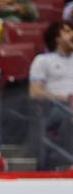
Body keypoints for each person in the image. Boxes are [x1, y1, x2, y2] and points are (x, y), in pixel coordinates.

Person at [29, 20, 73, 168]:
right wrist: (62, 98)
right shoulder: (43, 60)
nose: (72, 34)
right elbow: (35, 92)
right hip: (56, 107)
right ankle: (62, 160)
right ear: (56, 37)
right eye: (67, 31)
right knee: (69, 114)